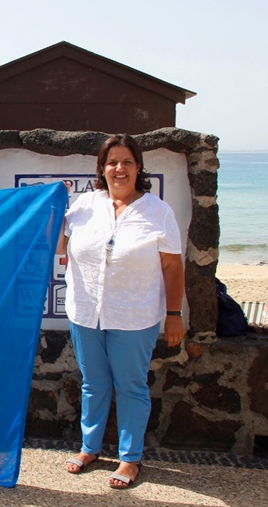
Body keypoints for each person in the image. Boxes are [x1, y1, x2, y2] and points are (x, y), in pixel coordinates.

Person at [57, 134, 185, 488]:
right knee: (93, 384)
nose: (119, 168)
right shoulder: (84, 205)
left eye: (127, 161)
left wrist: (174, 314)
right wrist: (52, 205)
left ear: (138, 167)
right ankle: (90, 448)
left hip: (134, 315)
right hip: (85, 312)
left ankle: (130, 459)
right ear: (102, 168)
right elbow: (56, 243)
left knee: (131, 386)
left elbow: (173, 267)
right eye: (112, 161)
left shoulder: (157, 212)